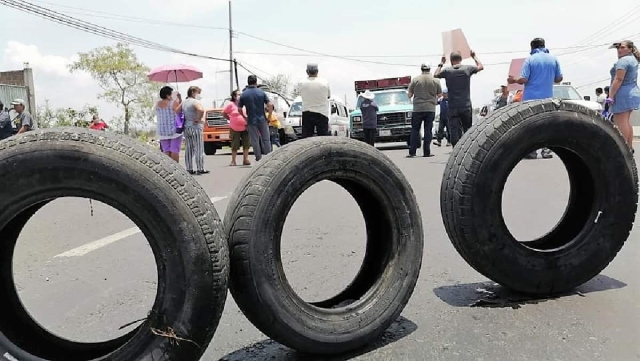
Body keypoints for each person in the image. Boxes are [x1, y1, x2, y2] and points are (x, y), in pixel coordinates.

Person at [508, 37, 563, 159]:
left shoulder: (530, 60)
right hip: (547, 98)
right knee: (546, 125)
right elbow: (559, 78)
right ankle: (546, 151)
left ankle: (531, 152)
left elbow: (523, 79)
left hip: (530, 99)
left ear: (532, 47)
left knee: (530, 126)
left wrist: (513, 80)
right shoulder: (553, 59)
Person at [434, 50, 484, 147]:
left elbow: (436, 74)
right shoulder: (467, 69)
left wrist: (441, 63)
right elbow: (481, 67)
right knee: (467, 129)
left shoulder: (447, 71)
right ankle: (467, 149)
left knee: (454, 129)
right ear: (460, 59)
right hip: (465, 105)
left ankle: (456, 149)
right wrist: (474, 57)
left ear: (451, 61)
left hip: (453, 106)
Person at [607, 40, 640, 150]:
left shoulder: (623, 61)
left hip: (622, 93)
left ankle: (622, 148)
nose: (619, 50)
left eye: (622, 47)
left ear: (630, 49)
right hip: (632, 92)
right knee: (626, 121)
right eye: (618, 48)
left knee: (620, 121)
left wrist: (611, 96)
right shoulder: (633, 59)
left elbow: (619, 78)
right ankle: (629, 147)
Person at [408, 63, 442, 157]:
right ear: (429, 69)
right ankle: (427, 152)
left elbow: (409, 95)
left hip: (417, 108)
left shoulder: (415, 80)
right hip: (430, 108)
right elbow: (440, 95)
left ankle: (412, 152)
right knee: (428, 130)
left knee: (415, 130)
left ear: (421, 69)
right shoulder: (435, 80)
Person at [238, 75, 273, 161]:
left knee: (254, 140)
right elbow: (270, 105)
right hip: (262, 118)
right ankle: (268, 156)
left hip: (251, 119)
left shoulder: (244, 94)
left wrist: (244, 117)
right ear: (256, 82)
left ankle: (258, 156)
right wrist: (269, 115)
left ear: (248, 82)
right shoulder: (261, 92)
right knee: (266, 138)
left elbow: (239, 109)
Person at [299, 63, 331, 138]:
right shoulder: (325, 82)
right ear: (317, 71)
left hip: (307, 112)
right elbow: (328, 96)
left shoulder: (301, 83)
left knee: (306, 138)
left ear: (307, 71)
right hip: (322, 113)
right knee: (323, 138)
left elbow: (300, 94)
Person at [182, 86, 209, 175]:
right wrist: (199, 118)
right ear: (193, 92)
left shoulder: (184, 102)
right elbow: (201, 110)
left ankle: (189, 168)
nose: (199, 95)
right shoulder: (195, 101)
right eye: (198, 93)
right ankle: (200, 168)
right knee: (199, 148)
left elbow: (177, 111)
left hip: (187, 127)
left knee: (189, 149)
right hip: (195, 127)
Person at [223, 89, 251, 166]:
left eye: (240, 94)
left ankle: (245, 160)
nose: (240, 96)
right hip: (234, 128)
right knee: (235, 145)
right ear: (234, 96)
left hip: (245, 127)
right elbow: (224, 113)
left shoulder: (245, 104)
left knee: (246, 144)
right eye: (238, 94)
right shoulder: (231, 105)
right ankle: (233, 161)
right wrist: (230, 118)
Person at [155, 86, 183, 162]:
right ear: (167, 95)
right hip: (173, 130)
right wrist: (180, 101)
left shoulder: (157, 104)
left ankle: (168, 169)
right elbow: (179, 111)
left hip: (162, 131)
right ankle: (176, 169)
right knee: (174, 150)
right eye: (171, 94)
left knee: (166, 151)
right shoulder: (172, 103)